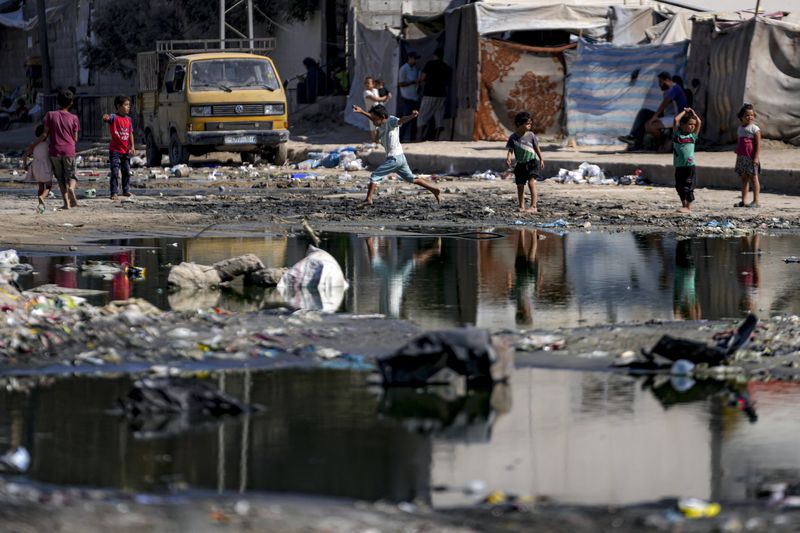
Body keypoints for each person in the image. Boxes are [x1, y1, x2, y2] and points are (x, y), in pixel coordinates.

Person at [350, 103, 440, 206]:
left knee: (374, 176)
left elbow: (401, 120)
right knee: (411, 178)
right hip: (400, 158)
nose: (373, 121)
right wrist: (361, 111)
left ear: (383, 117)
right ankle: (434, 190)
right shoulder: (381, 124)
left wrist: (411, 116)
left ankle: (369, 199)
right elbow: (372, 117)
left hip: (394, 159)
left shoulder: (390, 121)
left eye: (375, 119)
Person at [30, 88, 79, 209]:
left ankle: (66, 203)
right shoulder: (74, 118)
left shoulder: (50, 115)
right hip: (69, 150)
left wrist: (32, 146)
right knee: (72, 176)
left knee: (60, 178)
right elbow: (75, 138)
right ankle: (72, 189)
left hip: (55, 151)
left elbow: (44, 135)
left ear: (57, 101)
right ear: (71, 102)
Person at [619, 72, 687, 150]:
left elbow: (664, 103)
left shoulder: (674, 88)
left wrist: (655, 116)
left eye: (661, 82)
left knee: (649, 126)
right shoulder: (668, 90)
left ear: (667, 80)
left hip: (676, 117)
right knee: (644, 113)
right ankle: (634, 138)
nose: (659, 84)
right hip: (668, 115)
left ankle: (662, 142)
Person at [505, 111, 545, 213]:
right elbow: (510, 150)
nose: (529, 126)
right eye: (527, 124)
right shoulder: (513, 137)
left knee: (531, 183)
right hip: (520, 165)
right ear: (519, 124)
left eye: (530, 124)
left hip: (532, 162)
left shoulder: (531, 135)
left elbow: (536, 147)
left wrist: (541, 159)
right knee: (520, 185)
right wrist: (508, 158)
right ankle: (521, 206)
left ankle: (533, 206)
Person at [102, 95, 135, 200]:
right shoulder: (114, 117)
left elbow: (130, 133)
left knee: (126, 171)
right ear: (118, 106)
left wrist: (132, 146)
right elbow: (107, 117)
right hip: (115, 150)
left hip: (125, 150)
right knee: (115, 171)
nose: (128, 107)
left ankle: (125, 190)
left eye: (129, 105)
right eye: (126, 105)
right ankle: (114, 192)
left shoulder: (128, 119)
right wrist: (105, 117)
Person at [416, 48, 451, 141]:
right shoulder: (446, 66)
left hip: (429, 93)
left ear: (434, 55)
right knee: (439, 116)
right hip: (442, 94)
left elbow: (423, 77)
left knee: (422, 115)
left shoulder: (429, 64)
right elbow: (447, 82)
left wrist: (419, 83)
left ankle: (419, 137)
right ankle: (437, 138)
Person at [672, 107, 701, 213]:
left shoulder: (692, 137)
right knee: (679, 186)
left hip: (690, 166)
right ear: (682, 125)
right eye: (689, 124)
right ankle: (684, 205)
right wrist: (684, 111)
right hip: (679, 166)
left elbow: (699, 122)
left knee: (688, 186)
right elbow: (676, 120)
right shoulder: (677, 136)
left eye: (693, 124)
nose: (692, 126)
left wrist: (693, 113)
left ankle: (689, 207)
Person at [22, 123, 54, 214]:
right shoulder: (48, 144)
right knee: (48, 186)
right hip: (45, 165)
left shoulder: (33, 144)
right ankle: (42, 197)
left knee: (40, 185)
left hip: (35, 166)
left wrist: (25, 165)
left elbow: (25, 155)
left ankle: (40, 207)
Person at [734, 103, 761, 208]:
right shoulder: (740, 129)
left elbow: (758, 145)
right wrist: (737, 150)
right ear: (741, 117)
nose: (750, 117)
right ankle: (744, 201)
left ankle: (756, 201)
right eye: (747, 115)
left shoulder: (755, 129)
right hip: (742, 158)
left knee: (754, 179)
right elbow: (739, 142)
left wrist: (756, 157)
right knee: (744, 179)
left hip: (751, 158)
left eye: (751, 115)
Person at [397, 52, 421, 141]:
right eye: (414, 58)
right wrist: (413, 81)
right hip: (406, 98)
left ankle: (412, 139)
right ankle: (400, 139)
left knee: (414, 120)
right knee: (406, 119)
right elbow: (401, 83)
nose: (416, 61)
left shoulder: (415, 69)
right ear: (409, 58)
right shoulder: (404, 69)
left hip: (415, 97)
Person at [362, 76, 388, 145]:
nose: (367, 85)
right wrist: (385, 97)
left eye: (368, 83)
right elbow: (376, 99)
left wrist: (386, 98)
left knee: (380, 126)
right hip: (371, 112)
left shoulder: (376, 90)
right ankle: (374, 141)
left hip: (378, 110)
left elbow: (379, 99)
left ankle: (379, 141)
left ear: (373, 84)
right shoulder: (366, 92)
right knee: (373, 128)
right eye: (366, 83)